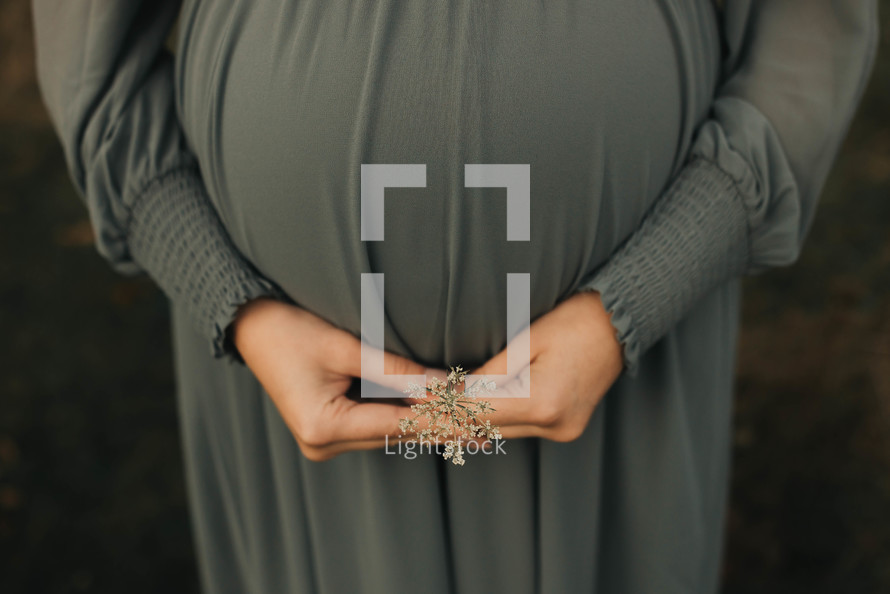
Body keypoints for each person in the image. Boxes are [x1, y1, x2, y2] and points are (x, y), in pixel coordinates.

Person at [32, 1, 877, 592]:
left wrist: (652, 287)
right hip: (280, 384)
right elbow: (92, 62)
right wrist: (235, 304)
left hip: (636, 360)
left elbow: (807, 27)